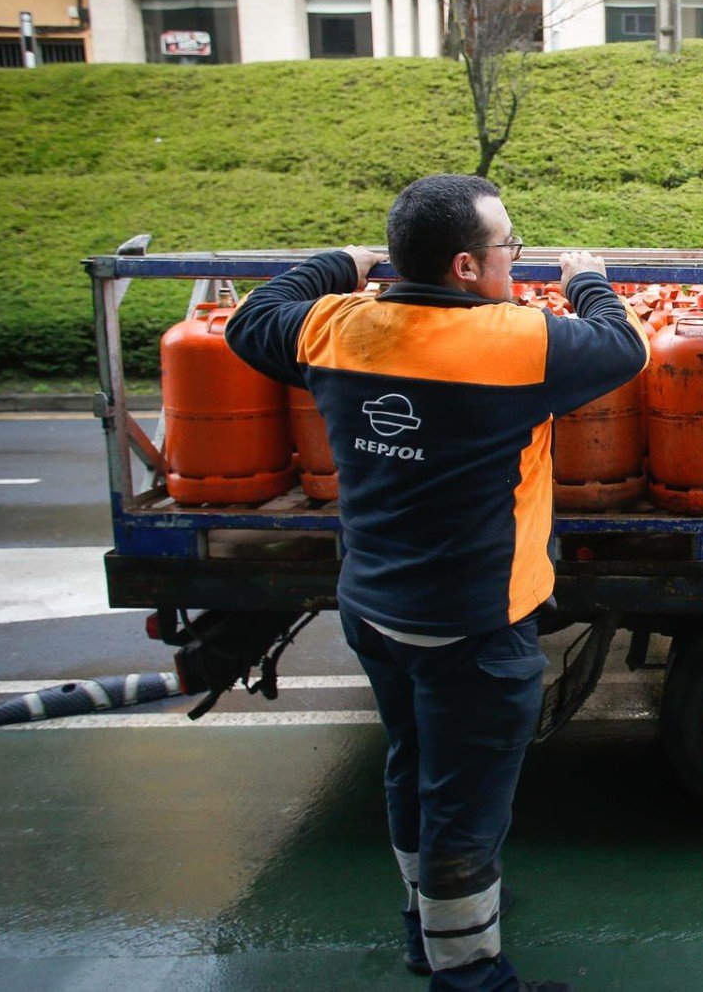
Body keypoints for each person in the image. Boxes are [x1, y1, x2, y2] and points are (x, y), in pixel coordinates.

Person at [227, 174, 648, 992]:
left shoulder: (337, 328)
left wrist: (334, 264)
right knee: (466, 812)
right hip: (475, 626)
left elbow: (251, 319)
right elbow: (623, 344)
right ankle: (469, 977)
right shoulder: (516, 342)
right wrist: (586, 276)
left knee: (412, 768)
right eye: (510, 249)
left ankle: (430, 929)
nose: (516, 263)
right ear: (465, 265)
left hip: (377, 612)